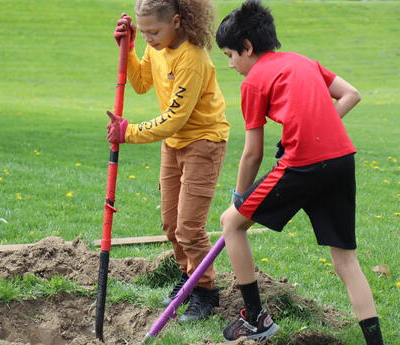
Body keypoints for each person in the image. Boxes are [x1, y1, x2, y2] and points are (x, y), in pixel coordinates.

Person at [215, 1, 384, 344]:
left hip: (304, 165)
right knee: (345, 261)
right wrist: (316, 127)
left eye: (230, 55)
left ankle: (255, 319)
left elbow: (253, 153)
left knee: (231, 222)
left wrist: (239, 195)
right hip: (341, 160)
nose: (231, 64)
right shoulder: (302, 61)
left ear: (247, 47)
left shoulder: (253, 83)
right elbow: (351, 94)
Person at [107, 0, 230, 323]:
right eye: (143, 31)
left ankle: (206, 291)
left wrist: (128, 132)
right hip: (173, 145)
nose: (149, 37)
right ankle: (188, 276)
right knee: (170, 224)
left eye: (154, 31)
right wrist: (129, 48)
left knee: (189, 228)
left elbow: (175, 118)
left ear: (176, 21)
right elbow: (141, 83)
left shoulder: (192, 58)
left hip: (204, 142)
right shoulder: (157, 47)